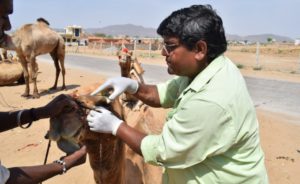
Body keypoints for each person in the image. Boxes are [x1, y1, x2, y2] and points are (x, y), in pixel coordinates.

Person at [87, 4, 269, 184]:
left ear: (199, 49)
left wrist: (115, 126)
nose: (163, 52)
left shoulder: (210, 101)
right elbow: (164, 93)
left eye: (170, 46)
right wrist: (132, 85)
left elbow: (163, 151)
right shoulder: (206, 69)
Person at [1, 2, 87, 182]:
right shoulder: (20, 39)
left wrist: (37, 113)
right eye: (2, 15)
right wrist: (64, 164)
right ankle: (31, 89)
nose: (8, 25)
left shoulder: (44, 36)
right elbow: (4, 179)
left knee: (58, 66)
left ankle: (56, 84)